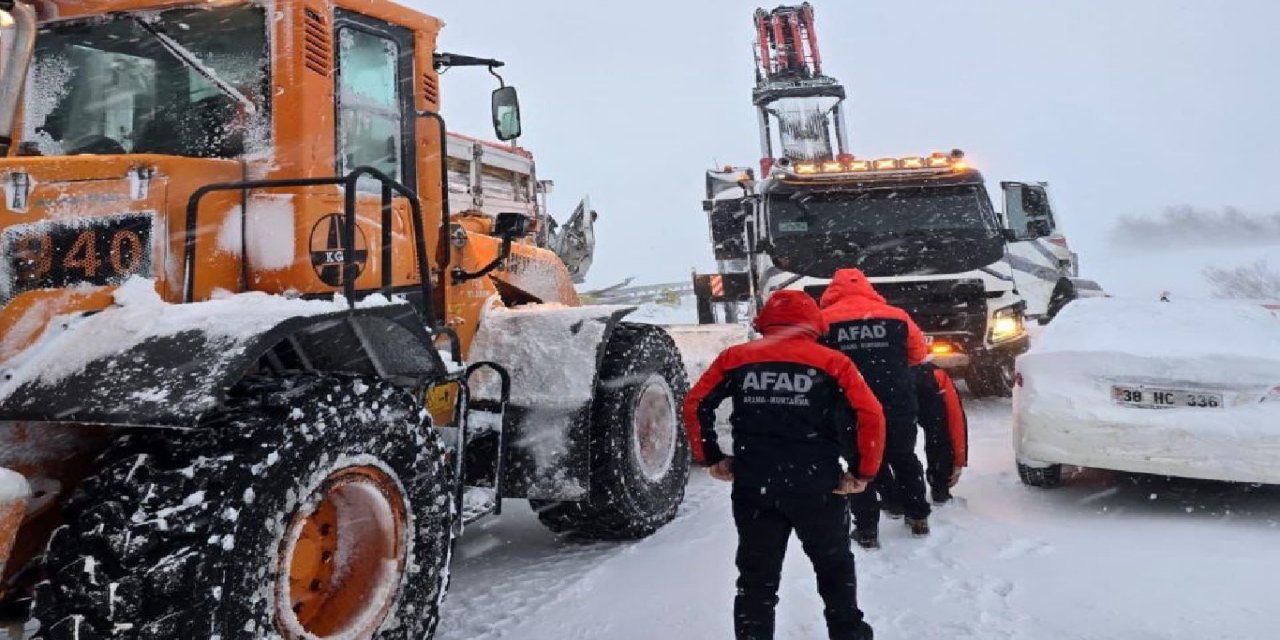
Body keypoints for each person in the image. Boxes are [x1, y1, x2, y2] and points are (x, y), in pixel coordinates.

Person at [683, 290, 886, 640]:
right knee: (834, 567)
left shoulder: (736, 358)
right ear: (814, 322)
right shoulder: (834, 363)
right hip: (819, 486)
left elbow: (695, 402)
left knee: (756, 581)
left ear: (766, 320)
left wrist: (711, 457)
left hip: (754, 484)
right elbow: (870, 414)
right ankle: (848, 633)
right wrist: (862, 471)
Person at [818, 268, 930, 548]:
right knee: (904, 458)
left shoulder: (823, 321)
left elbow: (817, 365)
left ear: (833, 290)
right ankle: (918, 517)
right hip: (898, 401)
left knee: (859, 465)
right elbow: (918, 355)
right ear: (867, 287)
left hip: (851, 405)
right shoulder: (897, 316)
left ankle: (867, 531)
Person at [914, 362, 969, 504]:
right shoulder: (933, 375)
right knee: (940, 434)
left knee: (895, 444)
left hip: (887, 376)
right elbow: (954, 419)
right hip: (926, 378)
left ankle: (894, 497)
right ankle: (940, 488)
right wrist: (958, 461)